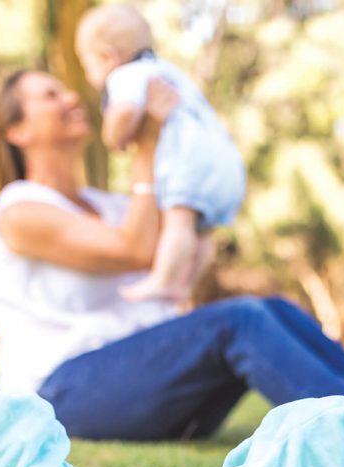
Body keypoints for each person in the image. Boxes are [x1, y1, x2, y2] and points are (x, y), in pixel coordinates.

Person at [0, 69, 344, 467]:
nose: (71, 96)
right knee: (239, 321)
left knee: (271, 310)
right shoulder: (19, 211)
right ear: (15, 131)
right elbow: (136, 251)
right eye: (49, 94)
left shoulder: (108, 204)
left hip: (145, 392)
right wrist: (149, 143)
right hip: (66, 394)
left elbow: (177, 270)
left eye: (63, 87)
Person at [76, 4, 245, 303]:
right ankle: (186, 285)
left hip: (190, 164)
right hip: (227, 163)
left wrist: (113, 136)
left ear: (107, 56)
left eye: (86, 64)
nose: (89, 76)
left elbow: (124, 114)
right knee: (201, 231)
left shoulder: (127, 74)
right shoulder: (169, 71)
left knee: (178, 221)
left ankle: (166, 280)